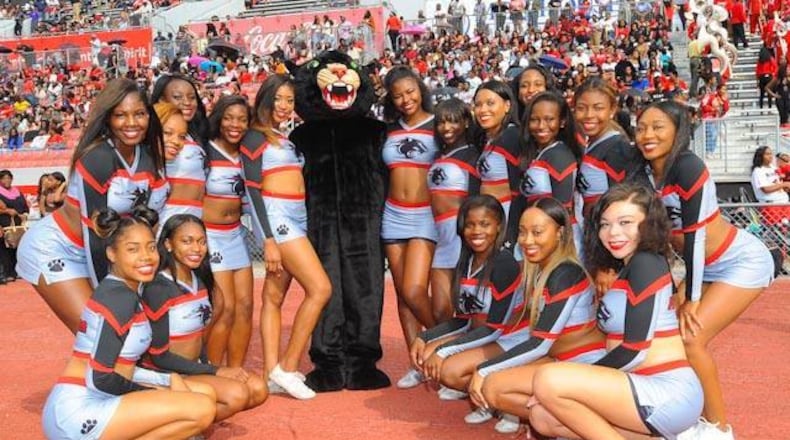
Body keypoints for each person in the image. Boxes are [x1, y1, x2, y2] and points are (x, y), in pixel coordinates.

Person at [636, 101, 775, 439]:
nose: (647, 135)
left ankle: (719, 428)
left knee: (692, 338)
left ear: (678, 130)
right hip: (705, 268)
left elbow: (695, 235)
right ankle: (685, 416)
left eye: (658, 127)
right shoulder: (643, 172)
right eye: (641, 127)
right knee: (665, 334)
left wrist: (693, 297)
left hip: (740, 261)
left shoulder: (688, 166)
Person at [528, 182, 703, 440]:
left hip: (665, 390)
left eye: (625, 222)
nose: (613, 233)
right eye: (605, 224)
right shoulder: (629, 267)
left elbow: (635, 349)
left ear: (649, 224)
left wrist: (577, 379)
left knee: (548, 380)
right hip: (639, 388)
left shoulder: (646, 263)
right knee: (542, 418)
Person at [41, 207, 216, 440]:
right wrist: (155, 391)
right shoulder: (119, 298)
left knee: (203, 394)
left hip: (100, 396)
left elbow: (121, 367)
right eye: (132, 249)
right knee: (200, 409)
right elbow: (100, 377)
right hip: (79, 409)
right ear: (112, 254)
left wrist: (167, 379)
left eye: (151, 247)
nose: (146, 257)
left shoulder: (125, 289)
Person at [16, 78, 165, 333]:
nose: (131, 123)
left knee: (126, 337)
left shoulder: (148, 160)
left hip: (103, 252)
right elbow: (95, 235)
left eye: (139, 114)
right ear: (107, 119)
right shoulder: (97, 159)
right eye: (120, 115)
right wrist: (107, 295)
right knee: (99, 332)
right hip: (58, 248)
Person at [473, 197, 603, 435]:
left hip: (585, 365)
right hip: (560, 362)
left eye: (537, 232)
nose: (527, 240)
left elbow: (541, 343)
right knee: (497, 384)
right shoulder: (542, 270)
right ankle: (559, 420)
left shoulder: (566, 273)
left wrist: (483, 369)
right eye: (522, 232)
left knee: (492, 386)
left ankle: (581, 423)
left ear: (560, 233)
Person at [240, 74, 331, 400]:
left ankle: (270, 374)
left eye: (289, 100)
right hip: (278, 221)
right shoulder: (254, 138)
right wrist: (267, 239)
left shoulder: (285, 138)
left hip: (297, 219)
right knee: (320, 289)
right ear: (264, 99)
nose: (283, 106)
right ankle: (288, 367)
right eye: (277, 99)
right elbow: (252, 192)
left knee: (273, 299)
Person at [409, 195, 522, 429]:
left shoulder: (504, 264)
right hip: (481, 334)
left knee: (448, 370)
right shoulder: (468, 261)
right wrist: (425, 337)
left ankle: (504, 403)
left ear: (499, 225)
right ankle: (481, 391)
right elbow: (463, 319)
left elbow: (495, 328)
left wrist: (444, 350)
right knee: (427, 355)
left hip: (507, 338)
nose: (476, 231)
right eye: (470, 224)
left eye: (484, 224)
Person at [142, 214, 267, 419]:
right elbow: (158, 356)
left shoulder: (199, 280)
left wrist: (206, 365)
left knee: (258, 389)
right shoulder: (158, 288)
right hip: (166, 373)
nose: (197, 248)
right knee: (237, 395)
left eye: (201, 242)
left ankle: (190, 418)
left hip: (192, 369)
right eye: (187, 241)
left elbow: (198, 333)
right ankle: (174, 424)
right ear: (168, 244)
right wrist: (214, 370)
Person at [380, 66, 440, 390]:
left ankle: (444, 345)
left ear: (420, 88)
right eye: (398, 95)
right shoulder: (388, 130)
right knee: (403, 294)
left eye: (410, 91)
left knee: (417, 291)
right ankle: (416, 363)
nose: (406, 99)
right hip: (393, 215)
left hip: (425, 216)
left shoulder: (437, 124)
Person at [201, 95, 254, 368]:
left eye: (242, 119)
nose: (235, 125)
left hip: (236, 235)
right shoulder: (206, 151)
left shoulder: (248, 155)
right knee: (224, 307)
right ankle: (211, 369)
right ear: (219, 119)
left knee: (245, 307)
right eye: (229, 118)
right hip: (211, 236)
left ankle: (236, 369)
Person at [428, 98, 481, 330]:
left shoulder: (473, 155)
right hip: (437, 236)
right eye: (441, 123)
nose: (446, 128)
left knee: (464, 309)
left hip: (460, 234)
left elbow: (476, 198)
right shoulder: (438, 156)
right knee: (440, 310)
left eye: (453, 122)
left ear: (467, 122)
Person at [519, 92, 584, 254]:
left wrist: (555, 248)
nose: (541, 126)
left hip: (556, 240)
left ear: (562, 122)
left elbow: (562, 209)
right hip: (539, 235)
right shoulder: (540, 152)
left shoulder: (559, 155)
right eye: (535, 120)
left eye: (549, 119)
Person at [574, 77, 642, 219]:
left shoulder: (617, 147)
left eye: (598, 108)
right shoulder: (591, 143)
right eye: (581, 108)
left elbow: (621, 204)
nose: (589, 115)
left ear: (612, 109)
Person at [150, 74, 210, 230]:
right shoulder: (156, 134)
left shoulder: (194, 135)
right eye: (178, 97)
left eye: (192, 97)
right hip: (167, 223)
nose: (187, 102)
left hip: (193, 221)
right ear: (161, 100)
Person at [473, 80, 523, 255]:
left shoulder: (511, 136)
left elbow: (518, 191)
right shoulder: (488, 139)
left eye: (490, 103)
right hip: (489, 222)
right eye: (478, 105)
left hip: (507, 220)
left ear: (507, 105)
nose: (483, 110)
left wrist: (510, 235)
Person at [0, 170, 28, 284]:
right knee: (5, 248)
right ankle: (7, 273)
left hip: (18, 224)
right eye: (3, 178)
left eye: (8, 178)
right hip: (4, 223)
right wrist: (7, 211)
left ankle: (16, 271)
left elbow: (25, 206)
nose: (6, 180)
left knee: (17, 248)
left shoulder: (17, 191)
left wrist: (24, 214)